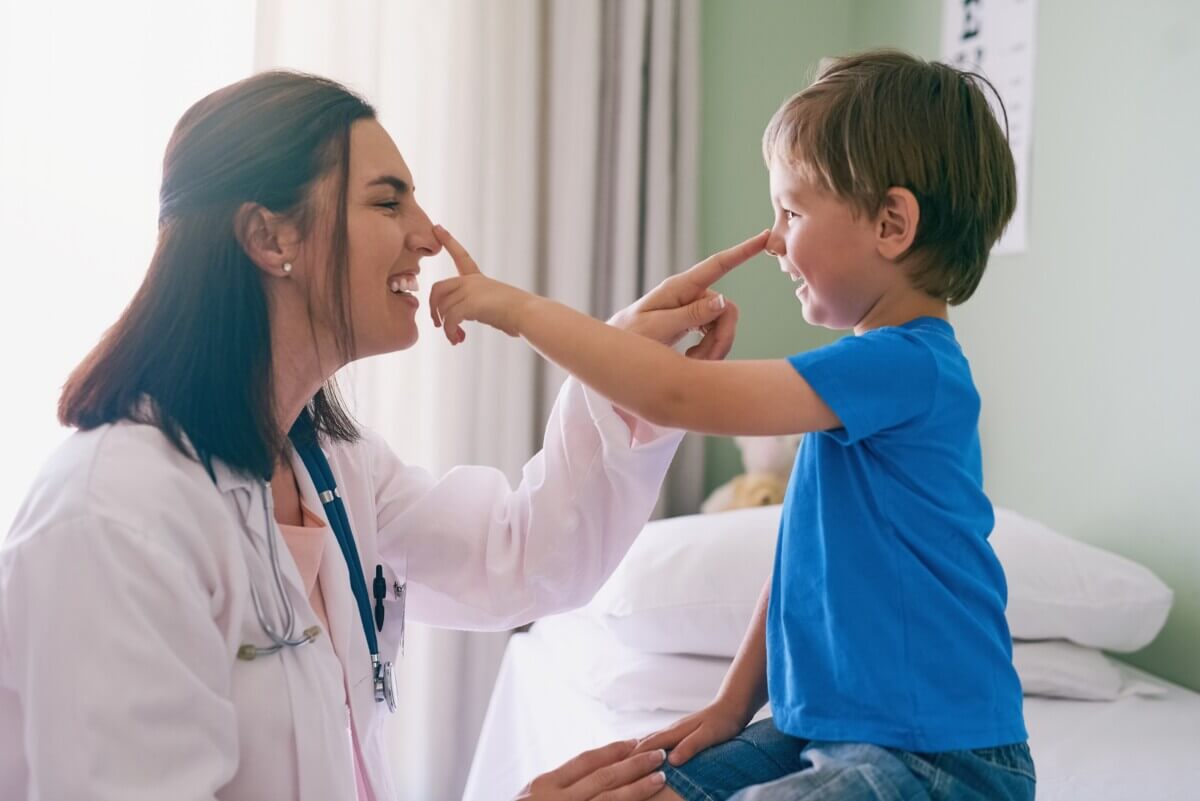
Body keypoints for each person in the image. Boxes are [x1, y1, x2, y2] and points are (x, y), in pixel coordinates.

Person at [0, 70, 756, 801]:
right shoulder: (113, 519)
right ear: (269, 236)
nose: (428, 237)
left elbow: (524, 554)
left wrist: (627, 370)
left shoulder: (331, 470)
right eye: (388, 202)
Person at [424, 50, 1034, 801]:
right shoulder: (865, 374)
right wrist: (732, 705)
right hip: (828, 727)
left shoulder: (907, 367)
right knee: (657, 782)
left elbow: (676, 395)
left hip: (938, 758)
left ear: (891, 224)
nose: (775, 239)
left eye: (793, 211)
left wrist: (516, 309)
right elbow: (801, 573)